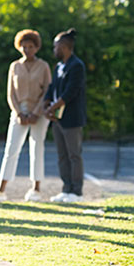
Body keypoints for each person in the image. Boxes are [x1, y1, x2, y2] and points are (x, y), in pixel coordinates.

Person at [0, 29, 52, 202]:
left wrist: (35, 113)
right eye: (24, 47)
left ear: (37, 47)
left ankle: (36, 189)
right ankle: (0, 190)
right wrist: (19, 113)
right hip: (19, 111)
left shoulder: (43, 66)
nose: (27, 50)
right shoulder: (15, 66)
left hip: (39, 112)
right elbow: (10, 93)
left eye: (30, 46)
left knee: (37, 148)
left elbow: (48, 91)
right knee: (11, 149)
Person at [44, 29, 86, 203]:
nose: (54, 49)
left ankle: (76, 192)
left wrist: (52, 108)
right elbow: (52, 87)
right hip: (57, 119)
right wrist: (46, 104)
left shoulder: (77, 66)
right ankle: (66, 189)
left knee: (74, 155)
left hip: (72, 119)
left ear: (64, 47)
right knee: (62, 156)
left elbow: (70, 92)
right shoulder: (59, 66)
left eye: (56, 46)